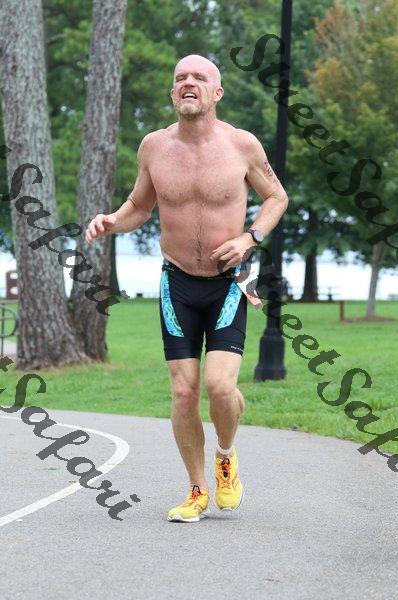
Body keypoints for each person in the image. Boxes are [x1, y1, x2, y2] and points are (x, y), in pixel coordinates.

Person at [85, 54, 289, 523]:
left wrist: (249, 238)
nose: (188, 83)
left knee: (219, 387)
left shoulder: (242, 145)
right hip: (176, 282)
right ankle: (197, 489)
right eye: (180, 78)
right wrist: (112, 221)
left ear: (217, 93)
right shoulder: (154, 147)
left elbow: (276, 197)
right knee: (184, 392)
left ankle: (226, 456)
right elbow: (140, 206)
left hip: (229, 283)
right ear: (173, 92)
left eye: (199, 77)